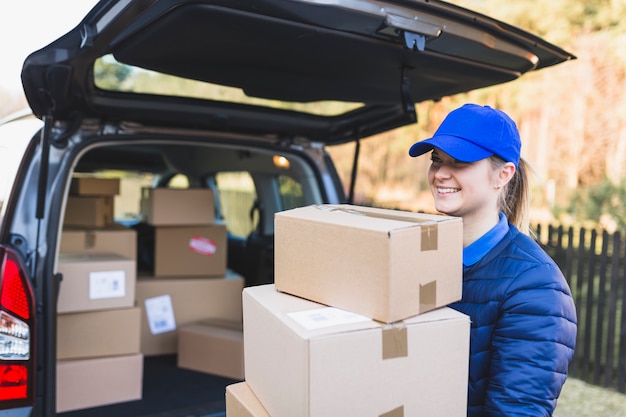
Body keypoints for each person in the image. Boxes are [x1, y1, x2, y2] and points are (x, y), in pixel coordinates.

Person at [408, 103, 577, 416]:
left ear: (503, 174)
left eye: (460, 161)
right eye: (436, 159)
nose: (441, 173)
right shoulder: (415, 257)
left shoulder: (536, 288)